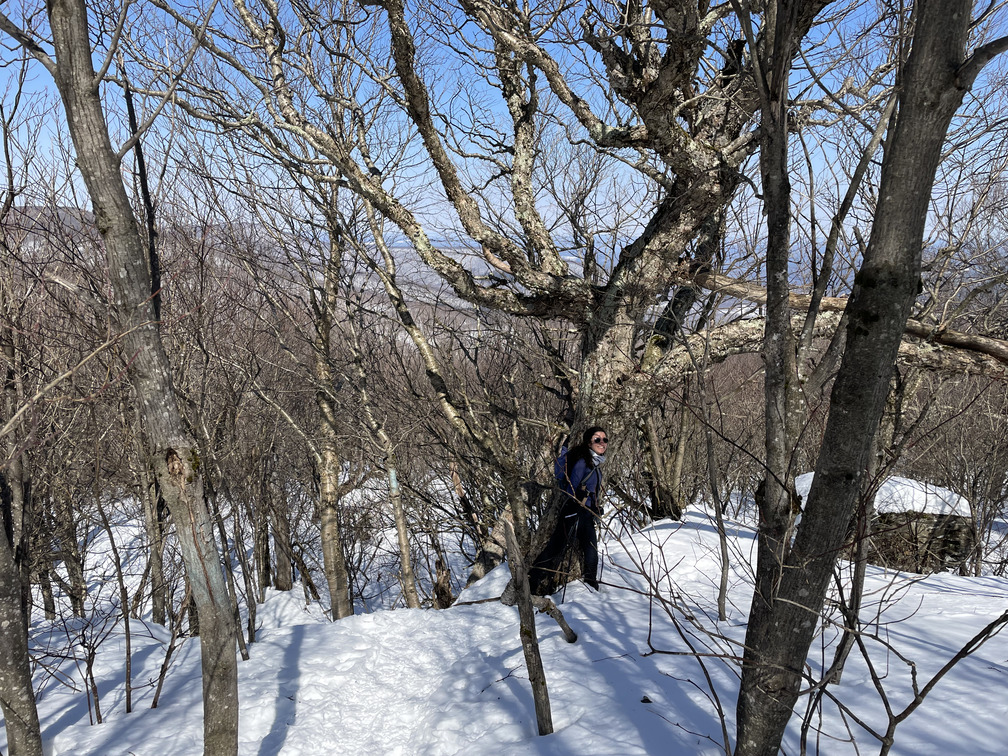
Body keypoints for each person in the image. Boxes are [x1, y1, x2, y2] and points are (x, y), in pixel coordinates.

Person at [528, 426, 609, 593]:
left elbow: (592, 491)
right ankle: (531, 582)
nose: (602, 442)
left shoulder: (596, 465)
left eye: (604, 439)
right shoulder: (582, 463)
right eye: (597, 439)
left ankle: (591, 587)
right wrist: (580, 496)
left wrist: (595, 507)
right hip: (573, 512)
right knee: (556, 548)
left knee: (591, 551)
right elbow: (571, 488)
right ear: (589, 442)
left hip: (586, 514)